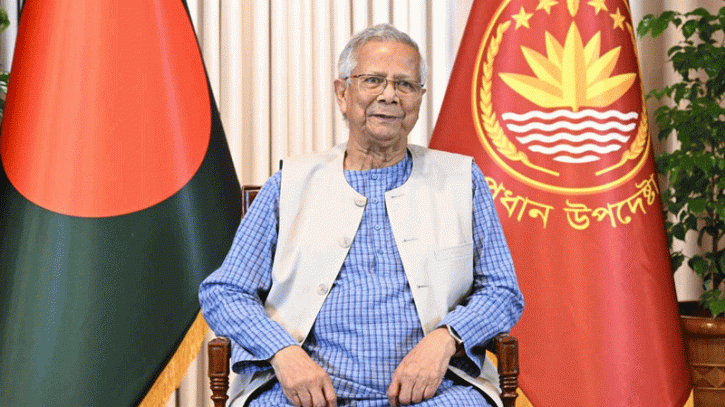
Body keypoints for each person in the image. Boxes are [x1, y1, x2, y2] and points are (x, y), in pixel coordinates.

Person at [199, 24, 524, 407]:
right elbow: (225, 292)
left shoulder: (461, 181)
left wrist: (446, 338)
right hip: (302, 397)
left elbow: (502, 291)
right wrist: (282, 352)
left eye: (405, 84)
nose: (389, 95)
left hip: (437, 393)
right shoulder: (289, 185)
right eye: (373, 80)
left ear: (419, 99)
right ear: (342, 93)